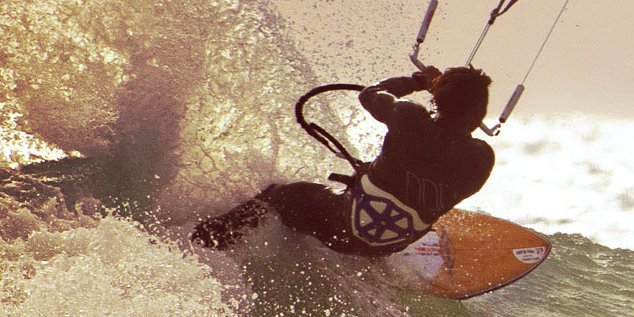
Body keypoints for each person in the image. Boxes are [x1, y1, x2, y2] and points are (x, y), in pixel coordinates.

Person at [193, 65, 495, 256]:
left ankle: (202, 243)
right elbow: (433, 167)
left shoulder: (409, 117)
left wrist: (416, 81)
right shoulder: (482, 159)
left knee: (282, 195)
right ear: (479, 114)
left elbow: (370, 94)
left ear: (437, 99)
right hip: (385, 248)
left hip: (339, 225)